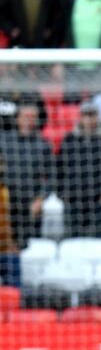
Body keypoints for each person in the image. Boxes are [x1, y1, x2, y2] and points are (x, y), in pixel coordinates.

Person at [57, 101, 101, 240]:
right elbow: (59, 168)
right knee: (73, 242)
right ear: (80, 117)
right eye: (86, 115)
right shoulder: (69, 140)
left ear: (98, 117)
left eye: (92, 115)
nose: (89, 119)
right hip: (73, 201)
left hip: (100, 201)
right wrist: (63, 194)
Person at [0, 103, 52, 248]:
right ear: (17, 119)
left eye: (32, 117)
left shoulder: (43, 144)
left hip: (31, 205)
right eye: (26, 117)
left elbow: (52, 176)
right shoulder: (3, 141)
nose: (29, 120)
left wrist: (41, 198)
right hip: (5, 204)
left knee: (31, 248)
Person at [0, 155, 20, 287]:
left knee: (13, 289)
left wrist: (17, 242)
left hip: (8, 250)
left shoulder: (10, 189)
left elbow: (18, 217)